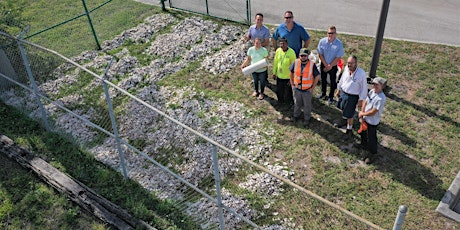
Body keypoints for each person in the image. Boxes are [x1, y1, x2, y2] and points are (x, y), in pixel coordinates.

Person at [335, 55, 368, 138]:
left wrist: (361, 99)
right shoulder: (346, 68)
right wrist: (338, 89)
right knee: (343, 108)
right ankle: (343, 120)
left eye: (351, 63)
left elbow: (364, 88)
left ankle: (349, 129)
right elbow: (342, 79)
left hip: (352, 96)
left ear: (356, 63)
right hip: (344, 92)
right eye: (348, 63)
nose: (349, 65)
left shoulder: (361, 74)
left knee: (350, 114)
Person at [357, 77, 387, 164]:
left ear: (382, 86)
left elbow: (374, 111)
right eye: (373, 84)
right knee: (362, 132)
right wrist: (362, 112)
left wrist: (363, 114)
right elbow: (365, 102)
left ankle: (372, 153)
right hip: (365, 118)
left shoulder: (381, 98)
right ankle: (363, 144)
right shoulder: (372, 91)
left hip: (372, 122)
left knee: (372, 137)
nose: (374, 86)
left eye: (376, 84)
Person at [290, 48, 320, 127]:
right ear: (299, 55)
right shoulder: (296, 62)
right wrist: (292, 84)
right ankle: (296, 116)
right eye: (301, 55)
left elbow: (317, 76)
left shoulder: (312, 64)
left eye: (305, 56)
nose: (303, 57)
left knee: (307, 105)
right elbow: (291, 72)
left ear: (308, 56)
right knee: (297, 103)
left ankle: (307, 119)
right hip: (297, 88)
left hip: (307, 90)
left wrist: (312, 88)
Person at [317, 26, 344, 105]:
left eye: (332, 33)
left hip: (333, 66)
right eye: (329, 33)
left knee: (333, 82)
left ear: (335, 34)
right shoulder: (322, 41)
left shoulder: (339, 44)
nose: (330, 35)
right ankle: (323, 93)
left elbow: (338, 56)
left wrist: (330, 66)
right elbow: (320, 54)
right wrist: (325, 64)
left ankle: (331, 97)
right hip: (324, 64)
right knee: (323, 79)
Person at [272, 38, 296, 105]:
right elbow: (276, 62)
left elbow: (294, 66)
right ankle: (280, 101)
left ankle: (289, 103)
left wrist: (292, 78)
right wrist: (274, 72)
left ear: (287, 44)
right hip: (279, 76)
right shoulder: (278, 51)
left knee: (288, 92)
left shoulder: (291, 52)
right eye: (280, 44)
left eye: (283, 44)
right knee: (279, 90)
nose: (282, 45)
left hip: (288, 77)